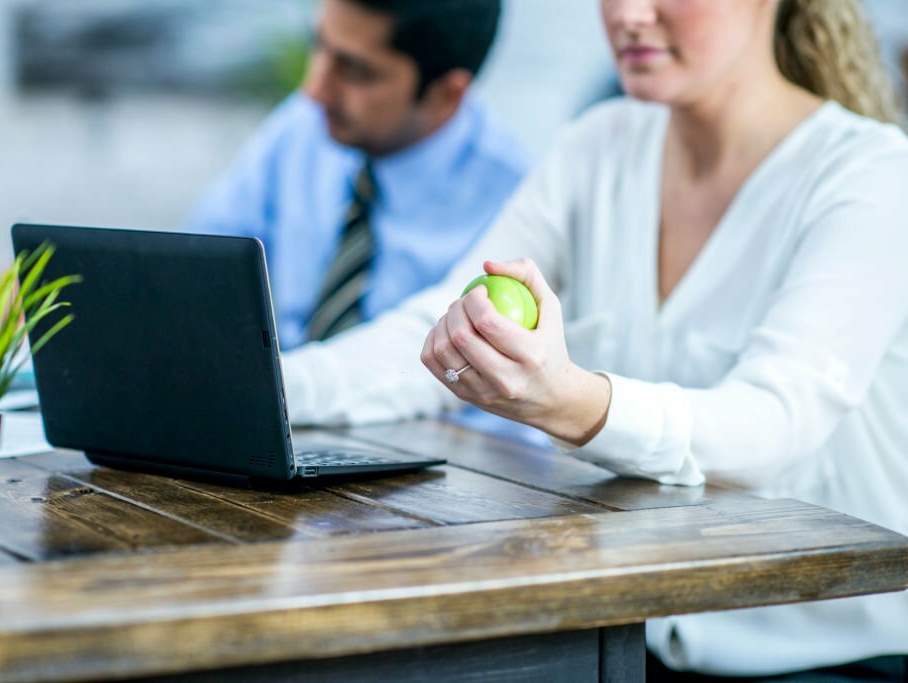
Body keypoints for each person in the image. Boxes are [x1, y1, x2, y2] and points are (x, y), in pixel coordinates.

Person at [281, 0, 908, 679]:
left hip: (830, 655)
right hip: (627, 636)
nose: (630, 15)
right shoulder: (598, 146)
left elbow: (773, 421)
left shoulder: (872, 175)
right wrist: (258, 388)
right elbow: (438, 326)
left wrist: (569, 401)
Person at [186, 0, 527, 351]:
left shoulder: (513, 209)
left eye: (355, 71)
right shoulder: (302, 128)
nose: (315, 89)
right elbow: (198, 274)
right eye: (318, 44)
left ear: (446, 93)